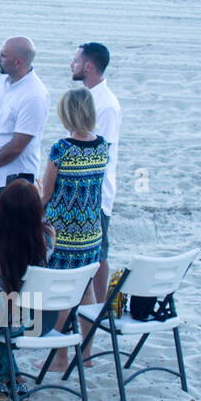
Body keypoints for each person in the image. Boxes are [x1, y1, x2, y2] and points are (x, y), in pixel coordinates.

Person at [0, 179, 57, 399]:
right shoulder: (47, 239)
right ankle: (14, 374)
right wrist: (39, 200)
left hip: (10, 324)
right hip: (42, 321)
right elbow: (41, 222)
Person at [41, 88, 109, 369]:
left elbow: (47, 192)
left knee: (62, 294)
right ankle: (87, 354)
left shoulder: (62, 148)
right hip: (91, 231)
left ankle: (59, 357)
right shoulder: (103, 145)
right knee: (87, 291)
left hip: (64, 233)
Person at [0, 36, 50, 230]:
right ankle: (0, 257)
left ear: (19, 62)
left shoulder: (34, 95)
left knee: (13, 227)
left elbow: (18, 145)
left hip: (15, 176)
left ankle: (9, 259)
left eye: (3, 55)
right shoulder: (3, 82)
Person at [71, 41, 120, 306]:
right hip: (78, 188)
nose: (72, 65)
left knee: (99, 253)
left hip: (97, 192)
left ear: (88, 66)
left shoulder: (106, 104)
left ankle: (99, 306)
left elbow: (103, 150)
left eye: (76, 61)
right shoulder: (87, 98)